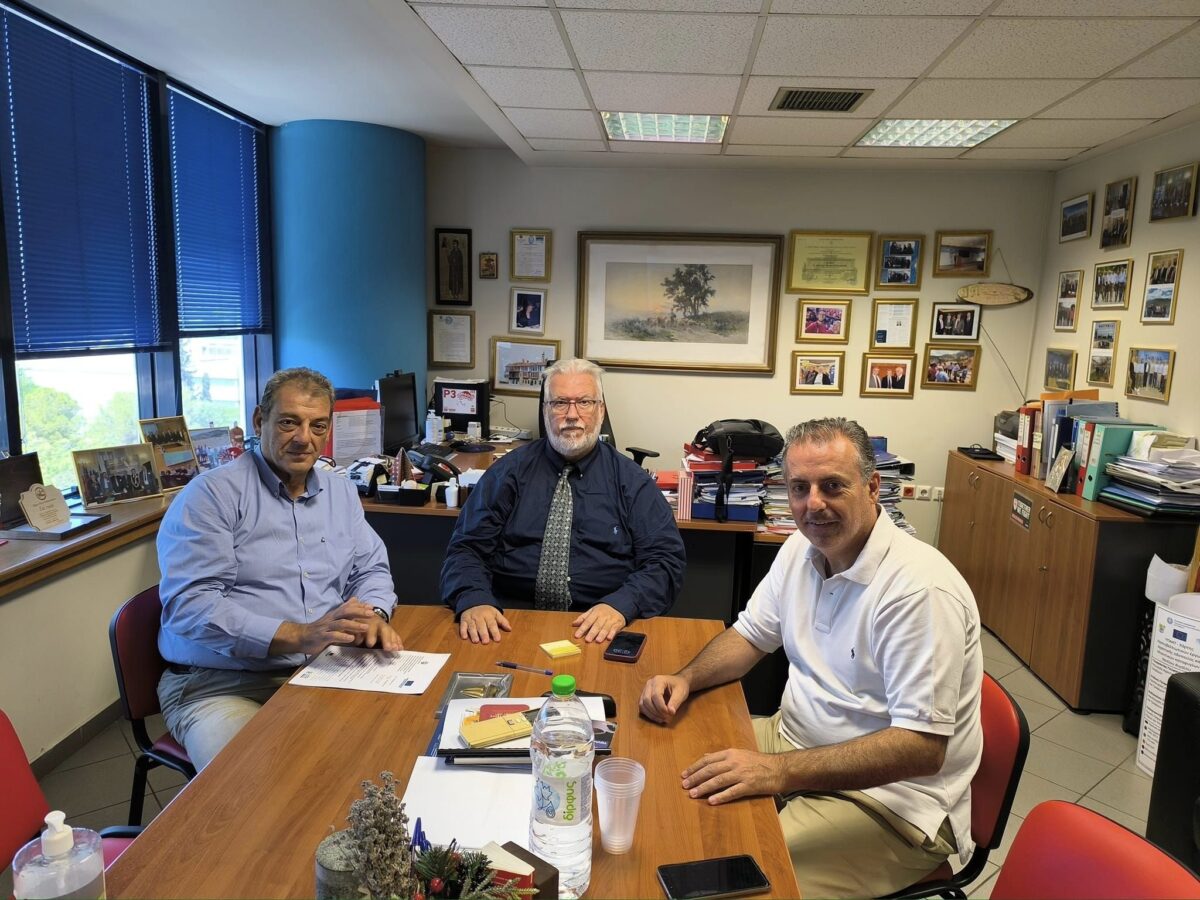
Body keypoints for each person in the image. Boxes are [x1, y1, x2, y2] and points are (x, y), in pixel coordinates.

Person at [639, 417, 982, 898]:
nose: (812, 504)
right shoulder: (801, 548)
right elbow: (751, 635)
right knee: (660, 773)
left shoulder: (919, 590)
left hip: (893, 803)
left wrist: (777, 771)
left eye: (832, 486)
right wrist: (686, 678)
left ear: (873, 488)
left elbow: (921, 748)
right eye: (799, 488)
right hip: (793, 740)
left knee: (723, 875)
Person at [156, 367, 402, 770]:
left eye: (317, 425)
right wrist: (300, 635)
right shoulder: (211, 496)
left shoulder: (339, 491)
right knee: (254, 781)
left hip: (321, 667)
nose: (304, 438)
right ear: (260, 421)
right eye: (289, 422)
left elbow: (370, 568)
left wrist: (372, 614)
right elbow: (192, 607)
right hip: (221, 683)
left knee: (388, 748)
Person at [441, 357, 685, 645]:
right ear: (545, 410)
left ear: (601, 410)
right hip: (507, 622)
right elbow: (467, 548)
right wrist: (474, 599)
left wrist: (622, 605)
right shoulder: (508, 473)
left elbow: (664, 561)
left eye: (584, 402)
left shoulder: (632, 482)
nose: (572, 415)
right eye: (559, 403)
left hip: (599, 626)